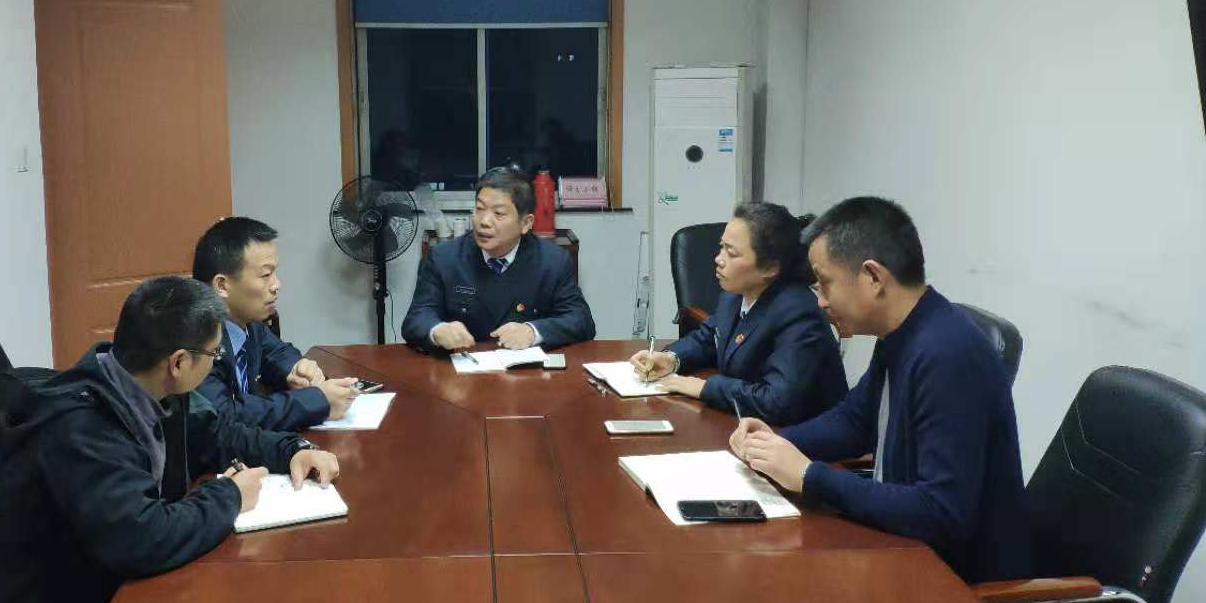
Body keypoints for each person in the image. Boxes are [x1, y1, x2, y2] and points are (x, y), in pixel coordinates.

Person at [0, 276, 340, 603]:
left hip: (123, 586)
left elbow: (219, 435)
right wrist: (230, 495)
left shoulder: (146, 384)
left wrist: (292, 450)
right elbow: (143, 539)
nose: (216, 362)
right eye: (215, 354)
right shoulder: (82, 428)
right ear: (178, 363)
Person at [729, 197, 1030, 582]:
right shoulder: (902, 334)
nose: (820, 300)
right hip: (903, 549)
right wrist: (775, 444)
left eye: (825, 283)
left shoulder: (948, 354)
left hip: (957, 585)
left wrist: (808, 476)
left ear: (873, 277)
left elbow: (942, 512)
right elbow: (855, 420)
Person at [630, 202, 846, 425]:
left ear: (770, 268)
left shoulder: (798, 313)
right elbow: (708, 339)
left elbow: (777, 401)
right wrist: (671, 359)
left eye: (731, 253)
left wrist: (706, 388)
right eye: (721, 247)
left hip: (803, 437)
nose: (718, 259)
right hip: (749, 426)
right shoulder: (734, 294)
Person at [402, 165, 595, 351]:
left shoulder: (552, 261)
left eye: (498, 214)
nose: (484, 222)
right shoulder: (443, 258)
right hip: (462, 366)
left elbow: (581, 320)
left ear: (526, 223)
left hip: (526, 369)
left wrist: (533, 332)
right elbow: (416, 318)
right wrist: (437, 331)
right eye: (479, 209)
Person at [191, 217, 359, 430]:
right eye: (265, 275)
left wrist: (297, 369)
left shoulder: (248, 324)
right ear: (222, 286)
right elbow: (225, 415)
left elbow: (278, 353)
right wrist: (315, 402)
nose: (277, 285)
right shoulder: (195, 340)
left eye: (275, 273)